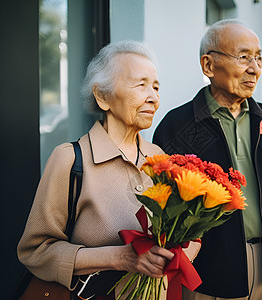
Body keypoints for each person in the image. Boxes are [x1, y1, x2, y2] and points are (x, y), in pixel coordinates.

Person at [153, 19, 262, 300]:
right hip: (204, 276)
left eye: (259, 58)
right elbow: (161, 211)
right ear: (208, 65)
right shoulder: (178, 126)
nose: (254, 68)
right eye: (244, 57)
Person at [17, 40, 200, 299]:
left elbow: (177, 234)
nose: (154, 97)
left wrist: (183, 249)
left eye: (156, 87)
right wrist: (121, 258)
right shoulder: (70, 159)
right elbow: (36, 251)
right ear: (103, 96)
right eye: (141, 84)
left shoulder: (160, 157)